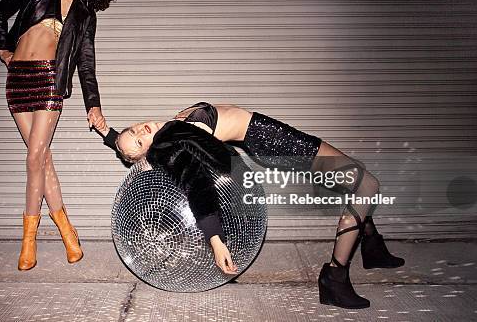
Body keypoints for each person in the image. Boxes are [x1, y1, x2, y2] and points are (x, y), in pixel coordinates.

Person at [100, 102, 404, 309]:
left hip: (266, 136)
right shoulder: (173, 141)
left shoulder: (164, 132)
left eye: (135, 128)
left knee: (349, 180)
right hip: (274, 141)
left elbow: (128, 148)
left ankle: (372, 246)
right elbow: (197, 185)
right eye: (138, 141)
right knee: (366, 184)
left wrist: (110, 135)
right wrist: (216, 241)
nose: (141, 132)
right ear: (149, 154)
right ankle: (334, 277)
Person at [0, 0, 121, 271]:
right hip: (18, 81)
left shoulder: (84, 16)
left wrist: (94, 104)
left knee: (34, 157)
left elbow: (86, 64)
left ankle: (28, 241)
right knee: (43, 159)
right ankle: (66, 229)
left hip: (50, 82)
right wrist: (3, 48)